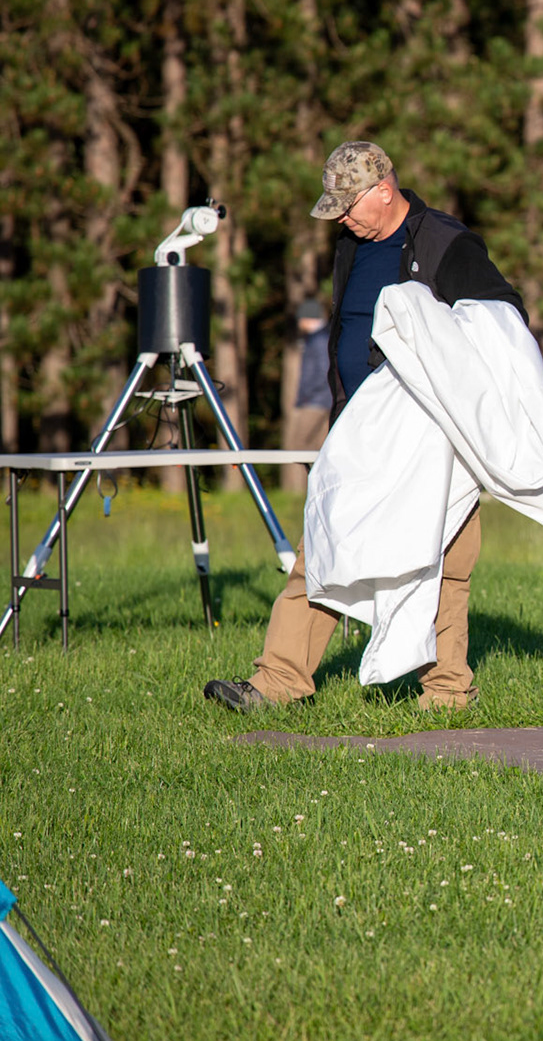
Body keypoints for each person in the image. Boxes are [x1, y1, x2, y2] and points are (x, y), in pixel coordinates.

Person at [204, 141, 525, 713]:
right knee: (324, 547)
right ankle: (276, 684)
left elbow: (503, 320)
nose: (341, 219)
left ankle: (447, 692)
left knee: (444, 560)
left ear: (384, 190)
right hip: (356, 427)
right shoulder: (353, 243)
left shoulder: (446, 243)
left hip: (430, 438)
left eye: (349, 206)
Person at [281, 298, 331, 494]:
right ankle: (317, 490)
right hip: (323, 399)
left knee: (299, 445)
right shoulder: (321, 337)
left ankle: (303, 491)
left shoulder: (318, 340)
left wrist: (307, 397)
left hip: (315, 401)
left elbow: (322, 371)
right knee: (318, 446)